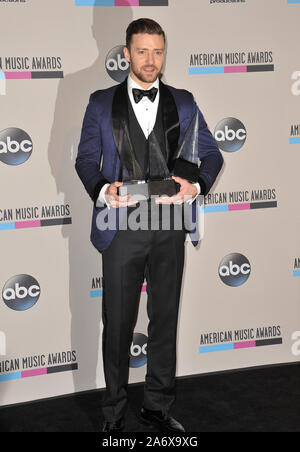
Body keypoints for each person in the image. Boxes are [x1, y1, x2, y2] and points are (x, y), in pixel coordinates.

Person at [75, 18, 223, 433]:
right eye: (142, 51)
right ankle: (114, 413)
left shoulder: (185, 101)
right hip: (120, 227)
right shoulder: (100, 103)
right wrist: (104, 188)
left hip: (169, 225)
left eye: (158, 51)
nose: (151, 60)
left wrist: (196, 185)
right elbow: (86, 161)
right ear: (126, 53)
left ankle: (157, 405)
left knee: (165, 320)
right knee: (118, 324)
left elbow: (211, 155)